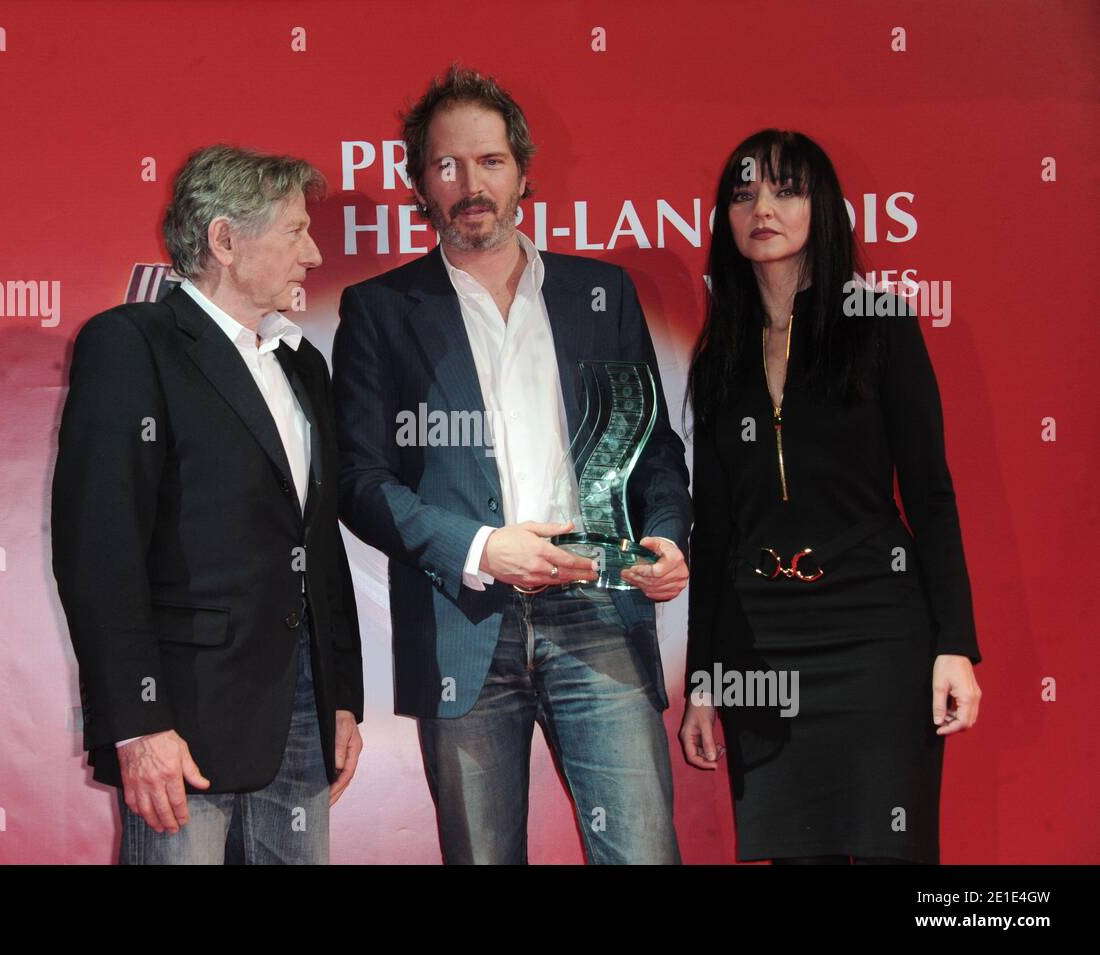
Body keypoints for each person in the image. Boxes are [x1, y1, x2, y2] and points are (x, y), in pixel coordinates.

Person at [332, 65, 692, 864]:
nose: (470, 183)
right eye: (446, 165)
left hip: (599, 607)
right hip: (461, 624)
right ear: (418, 182)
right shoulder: (380, 310)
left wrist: (667, 536)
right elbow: (358, 480)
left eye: (490, 161)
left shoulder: (603, 294)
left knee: (641, 853)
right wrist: (480, 547)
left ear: (524, 171)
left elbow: (653, 448)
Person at [51, 145, 363, 865]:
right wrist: (136, 724)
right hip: (181, 723)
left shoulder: (301, 364)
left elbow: (319, 542)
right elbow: (100, 549)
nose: (314, 253)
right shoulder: (131, 345)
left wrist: (341, 694)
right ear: (224, 240)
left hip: (302, 717)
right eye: (293, 231)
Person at [679, 129, 982, 864]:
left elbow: (932, 495)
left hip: (878, 635)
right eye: (744, 192)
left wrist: (956, 645)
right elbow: (713, 530)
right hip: (763, 648)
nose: (763, 207)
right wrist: (702, 680)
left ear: (825, 208)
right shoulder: (720, 352)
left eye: (786, 189)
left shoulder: (878, 324)